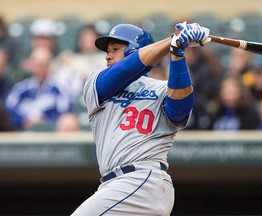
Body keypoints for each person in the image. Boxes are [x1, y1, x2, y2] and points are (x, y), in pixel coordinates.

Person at [71, 22, 210, 215]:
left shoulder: (161, 88)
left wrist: (177, 52)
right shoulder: (96, 82)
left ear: (135, 50)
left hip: (142, 179)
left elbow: (180, 110)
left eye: (115, 49)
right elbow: (124, 71)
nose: (107, 55)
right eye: (108, 50)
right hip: (115, 185)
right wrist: (172, 40)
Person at [4, 46, 74, 131]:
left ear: (50, 64)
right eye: (38, 64)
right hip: (22, 133)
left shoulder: (60, 88)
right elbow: (8, 108)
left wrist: (45, 120)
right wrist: (23, 120)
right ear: (31, 64)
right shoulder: (21, 88)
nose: (41, 68)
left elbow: (64, 111)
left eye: (44, 64)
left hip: (51, 133)